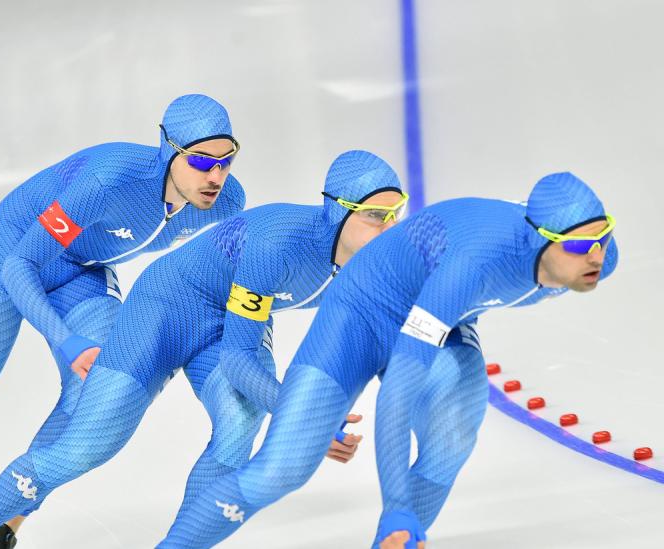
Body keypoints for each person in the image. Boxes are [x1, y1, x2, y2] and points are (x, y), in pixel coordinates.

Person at [0, 150, 408, 549]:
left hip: (232, 322)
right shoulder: (276, 245)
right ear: (338, 210)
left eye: (396, 214)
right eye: (374, 216)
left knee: (238, 430)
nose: (389, 230)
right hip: (168, 306)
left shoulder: (380, 265)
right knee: (87, 446)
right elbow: (239, 361)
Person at [0, 94, 245, 549]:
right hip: (14, 250)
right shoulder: (109, 181)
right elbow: (19, 267)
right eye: (201, 161)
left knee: (91, 393)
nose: (215, 176)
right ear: (168, 149)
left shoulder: (226, 203)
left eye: (226, 160)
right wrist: (65, 340)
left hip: (81, 269)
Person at [159, 172, 618, 549]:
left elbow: (591, 245)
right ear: (539, 238)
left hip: (441, 315)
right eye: (579, 246)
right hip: (359, 314)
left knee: (454, 435)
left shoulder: (599, 257)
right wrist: (395, 504)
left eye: (602, 237)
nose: (595, 255)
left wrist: (396, 521)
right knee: (282, 467)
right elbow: (398, 392)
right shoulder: (473, 265)